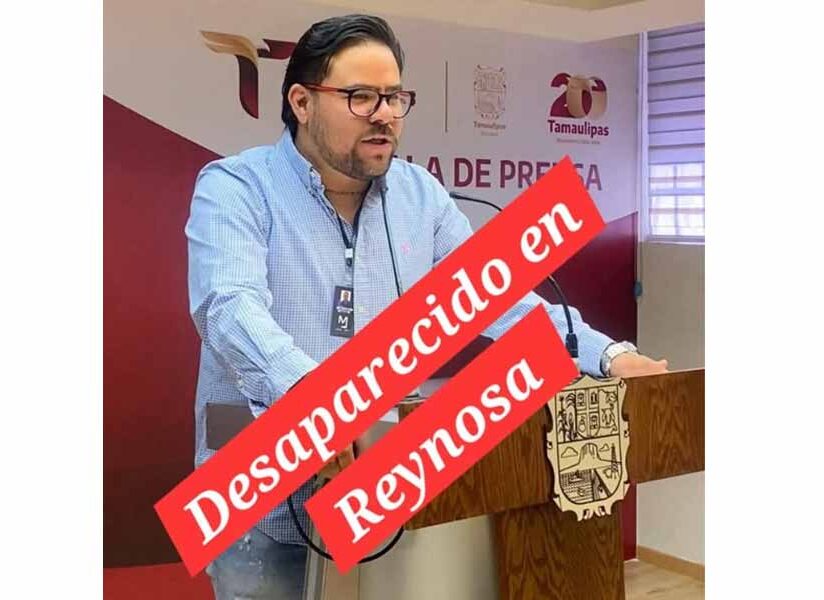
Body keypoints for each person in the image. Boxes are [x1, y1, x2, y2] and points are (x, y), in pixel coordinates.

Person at [185, 13, 668, 600]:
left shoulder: (421, 197)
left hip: (380, 493)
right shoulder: (237, 187)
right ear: (302, 102)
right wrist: (319, 409)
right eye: (361, 97)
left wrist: (608, 357)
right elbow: (229, 308)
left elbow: (500, 299)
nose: (384, 114)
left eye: (394, 97)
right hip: (263, 503)